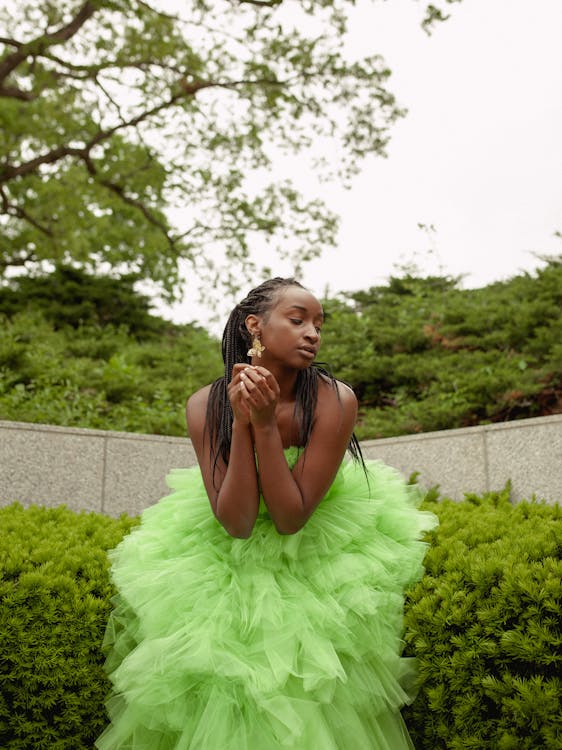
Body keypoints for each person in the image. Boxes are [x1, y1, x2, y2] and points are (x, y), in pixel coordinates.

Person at [96, 277, 436, 749]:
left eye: (318, 323)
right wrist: (240, 420)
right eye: (297, 320)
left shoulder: (334, 400)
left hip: (316, 556)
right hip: (224, 559)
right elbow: (236, 523)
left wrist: (264, 424)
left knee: (306, 694)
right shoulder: (205, 405)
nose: (313, 332)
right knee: (225, 686)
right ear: (254, 325)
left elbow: (289, 518)